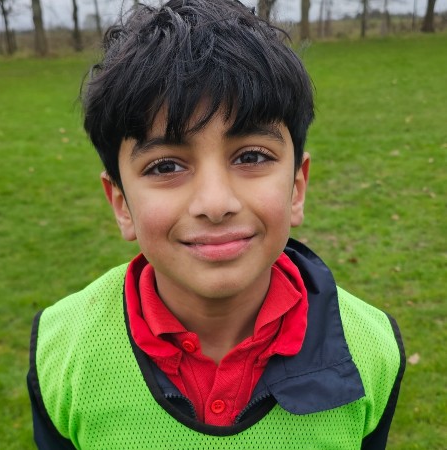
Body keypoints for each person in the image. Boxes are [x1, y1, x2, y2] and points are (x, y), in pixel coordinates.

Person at [27, 0, 405, 448]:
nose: (215, 203)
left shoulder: (372, 351)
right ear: (122, 204)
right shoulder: (61, 352)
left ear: (296, 188)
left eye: (252, 157)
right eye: (166, 166)